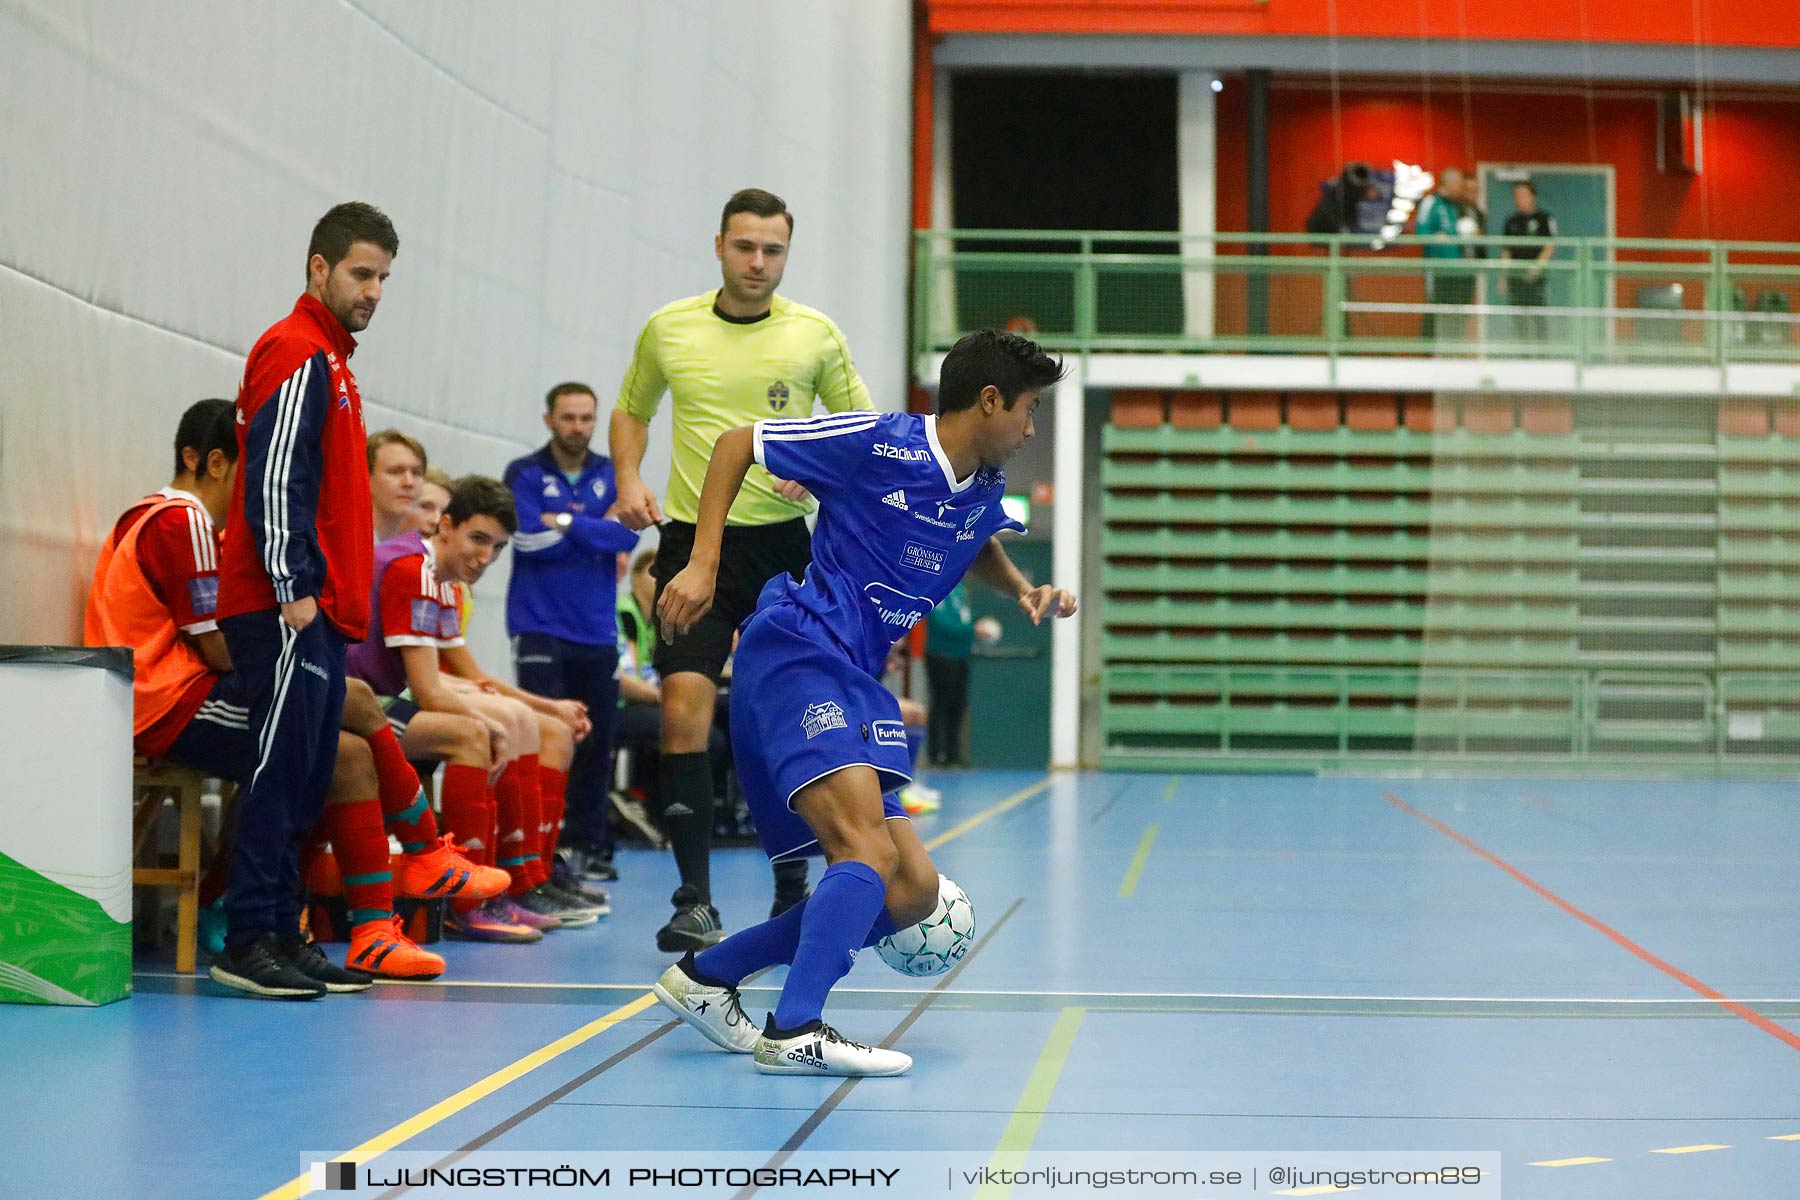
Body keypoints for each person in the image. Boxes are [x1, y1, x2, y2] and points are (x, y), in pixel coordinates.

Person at [651, 328, 1077, 1076]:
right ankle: (796, 1029)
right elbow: (735, 443)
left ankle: (708, 977)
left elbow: (973, 538)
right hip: (798, 650)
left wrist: (1022, 590)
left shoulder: (980, 488)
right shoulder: (879, 441)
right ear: (988, 401)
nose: (1032, 425)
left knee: (909, 890)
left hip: (853, 675)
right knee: (866, 852)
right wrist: (704, 563)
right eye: (1029, 408)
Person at [86, 400, 457, 995]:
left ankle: (339, 929)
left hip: (187, 695)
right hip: (165, 703)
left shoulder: (204, 529)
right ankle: (413, 851)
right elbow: (222, 652)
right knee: (333, 709)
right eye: (253, 469)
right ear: (209, 462)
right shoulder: (177, 521)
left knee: (345, 756)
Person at [610, 187, 873, 950]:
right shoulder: (670, 328)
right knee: (682, 710)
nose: (759, 263)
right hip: (695, 545)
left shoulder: (815, 336)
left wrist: (816, 469)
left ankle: (791, 881)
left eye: (773, 251)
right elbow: (633, 410)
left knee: (782, 720)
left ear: (787, 253)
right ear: (719, 245)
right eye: (745, 247)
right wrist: (628, 478)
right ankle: (693, 897)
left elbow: (861, 429)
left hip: (784, 548)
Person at [209, 201, 398, 997]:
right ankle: (249, 936)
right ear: (318, 268)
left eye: (384, 278)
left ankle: (284, 931)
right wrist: (293, 587)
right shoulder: (296, 349)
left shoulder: (333, 359)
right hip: (284, 604)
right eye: (361, 273)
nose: (374, 290)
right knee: (278, 770)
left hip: (316, 610)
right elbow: (276, 474)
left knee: (306, 772)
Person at [349, 475, 605, 940]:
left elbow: (469, 676)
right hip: (353, 703)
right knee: (477, 732)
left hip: (384, 698)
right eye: (478, 539)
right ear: (446, 526)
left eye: (498, 547)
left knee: (528, 722)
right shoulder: (414, 570)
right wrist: (490, 724)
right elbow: (429, 691)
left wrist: (548, 707)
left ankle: (523, 881)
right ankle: (468, 902)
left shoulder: (441, 578)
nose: (485, 557)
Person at [504, 382, 640, 882]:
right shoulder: (523, 473)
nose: (577, 427)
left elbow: (626, 533)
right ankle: (542, 849)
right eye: (568, 418)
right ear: (549, 420)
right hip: (538, 626)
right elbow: (525, 540)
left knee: (595, 743)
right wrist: (593, 531)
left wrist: (562, 520)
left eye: (586, 418)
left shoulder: (613, 473)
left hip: (597, 633)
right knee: (548, 736)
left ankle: (588, 844)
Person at [1415, 167, 1477, 343]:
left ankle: (1455, 350)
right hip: (1439, 271)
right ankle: (1430, 353)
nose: (1460, 189)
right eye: (1458, 185)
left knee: (1458, 312)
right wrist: (1436, 237)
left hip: (1462, 271)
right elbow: (1421, 231)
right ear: (1447, 184)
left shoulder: (1462, 206)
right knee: (1435, 309)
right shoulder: (1431, 202)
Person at [924, 581, 974, 766]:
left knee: (958, 704)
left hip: (962, 654)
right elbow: (941, 622)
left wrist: (975, 626)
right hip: (941, 653)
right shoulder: (939, 586)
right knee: (940, 702)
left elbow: (966, 616)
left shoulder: (961, 589)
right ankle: (936, 754)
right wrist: (970, 630)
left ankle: (953, 753)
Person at [1501, 180, 1557, 343]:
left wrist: (1536, 268)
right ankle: (1524, 352)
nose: (1520, 198)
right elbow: (1507, 250)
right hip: (1515, 278)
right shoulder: (1511, 221)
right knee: (1519, 317)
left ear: (1533, 197)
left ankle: (1542, 353)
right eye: (1517, 195)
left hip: (1536, 278)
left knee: (1539, 315)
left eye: (1524, 195)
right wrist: (1503, 276)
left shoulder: (1544, 219)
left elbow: (1550, 245)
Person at [368, 429, 427, 542]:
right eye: (395, 472)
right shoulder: (347, 542)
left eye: (416, 473)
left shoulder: (411, 551)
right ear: (366, 477)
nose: (409, 482)